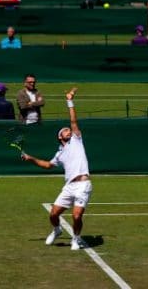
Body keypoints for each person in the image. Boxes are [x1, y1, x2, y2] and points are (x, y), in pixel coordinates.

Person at [21, 87, 92, 251]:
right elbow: (47, 165)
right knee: (53, 214)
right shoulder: (59, 153)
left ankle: (76, 238)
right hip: (69, 186)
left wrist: (69, 100)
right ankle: (57, 230)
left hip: (83, 184)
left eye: (69, 129)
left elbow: (74, 121)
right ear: (61, 137)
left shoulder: (76, 140)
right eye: (65, 130)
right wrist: (31, 158)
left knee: (76, 215)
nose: (69, 130)